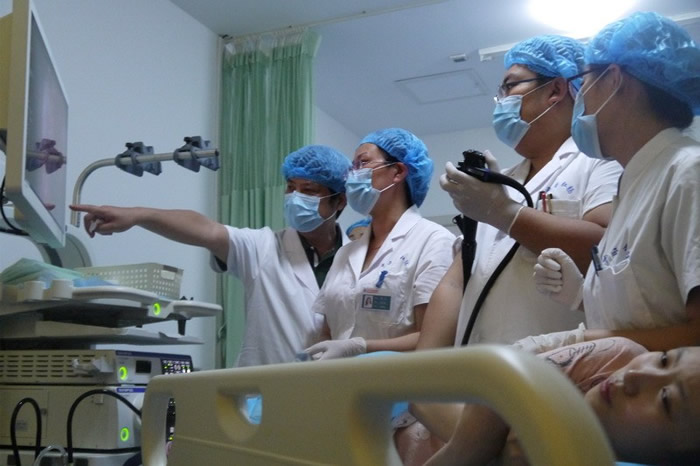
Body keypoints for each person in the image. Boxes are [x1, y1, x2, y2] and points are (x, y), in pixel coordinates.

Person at [417, 34, 623, 351]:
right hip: (475, 368)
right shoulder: (502, 181)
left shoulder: (600, 162)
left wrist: (505, 213)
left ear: (555, 90)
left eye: (510, 86)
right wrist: (424, 369)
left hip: (553, 369)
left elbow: (607, 250)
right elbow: (456, 282)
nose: (501, 101)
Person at [70, 144, 351, 367]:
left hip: (336, 394)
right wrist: (138, 215)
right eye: (290, 187)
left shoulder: (361, 259)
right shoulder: (262, 246)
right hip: (266, 398)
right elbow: (206, 229)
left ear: (339, 201)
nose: (295, 197)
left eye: (309, 191)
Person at [528, 11, 700, 353]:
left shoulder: (687, 173)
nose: (580, 99)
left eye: (584, 81)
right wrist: (583, 296)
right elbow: (651, 309)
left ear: (615, 80)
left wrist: (580, 344)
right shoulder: (634, 185)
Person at [423, 338, 700, 466]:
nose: (634, 376)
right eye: (664, 359)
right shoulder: (616, 356)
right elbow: (499, 384)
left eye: (666, 399)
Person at [304, 128, 456, 359]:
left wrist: (360, 347)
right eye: (352, 167)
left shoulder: (434, 241)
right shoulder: (346, 253)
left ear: (398, 171)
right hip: (337, 378)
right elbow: (327, 331)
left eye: (363, 163)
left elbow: (434, 337)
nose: (352, 175)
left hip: (398, 379)